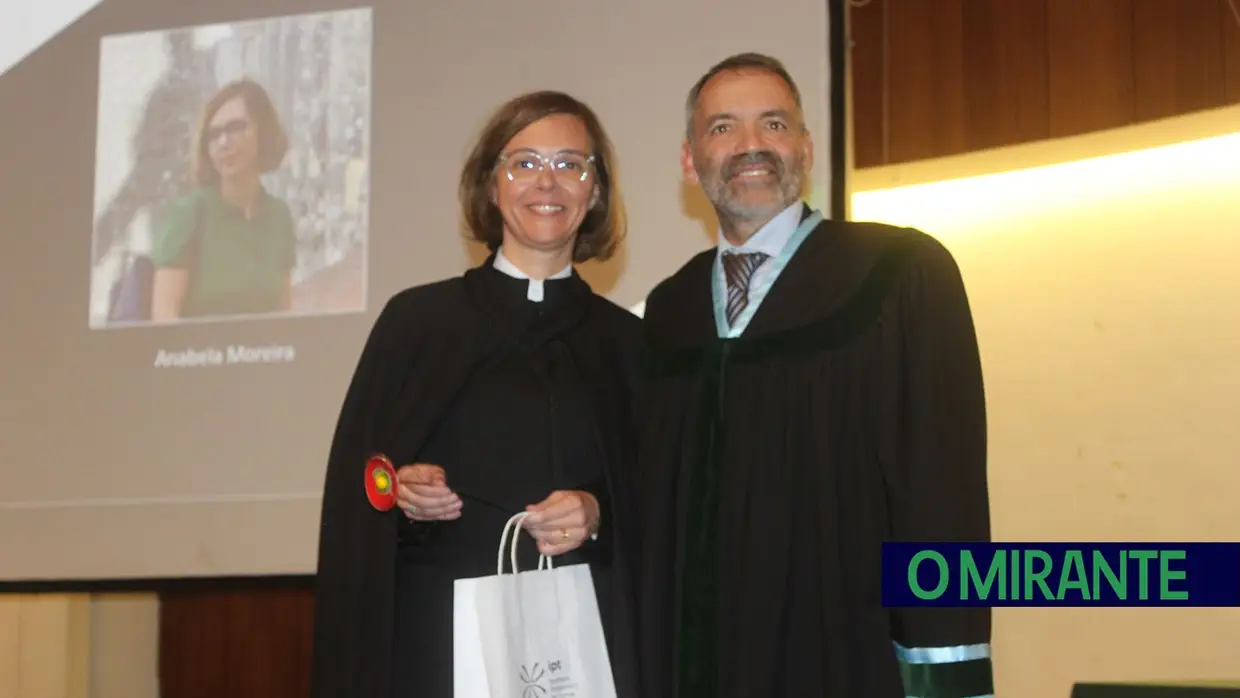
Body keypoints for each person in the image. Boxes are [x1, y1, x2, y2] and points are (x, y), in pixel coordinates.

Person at [635, 52, 994, 698]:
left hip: (843, 656)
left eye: (773, 124)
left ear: (805, 147)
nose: (751, 146)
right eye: (723, 128)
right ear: (690, 162)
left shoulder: (898, 276)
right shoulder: (668, 312)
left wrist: (945, 680)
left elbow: (941, 496)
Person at [310, 90, 641, 698]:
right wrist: (405, 498)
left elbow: (664, 509)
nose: (548, 182)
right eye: (524, 162)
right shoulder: (416, 324)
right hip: (436, 643)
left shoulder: (630, 345)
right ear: (491, 187)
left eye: (571, 164)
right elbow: (358, 504)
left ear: (594, 193)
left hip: (584, 648)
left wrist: (598, 515)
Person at [145, 78, 296, 322]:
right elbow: (164, 317)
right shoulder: (189, 213)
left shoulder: (279, 216)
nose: (223, 143)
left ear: (263, 131)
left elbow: (284, 312)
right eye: (214, 135)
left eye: (236, 128)